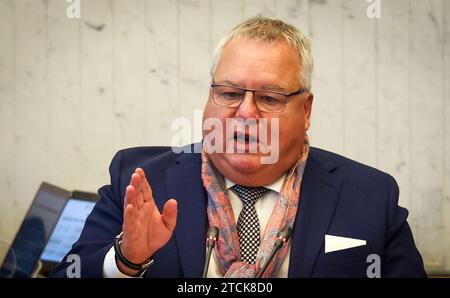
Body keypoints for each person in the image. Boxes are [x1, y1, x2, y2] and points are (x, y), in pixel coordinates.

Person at [51, 16, 426, 278]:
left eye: (269, 98)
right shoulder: (142, 178)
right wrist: (125, 261)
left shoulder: (369, 196)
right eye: (229, 93)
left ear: (306, 110)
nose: (245, 113)